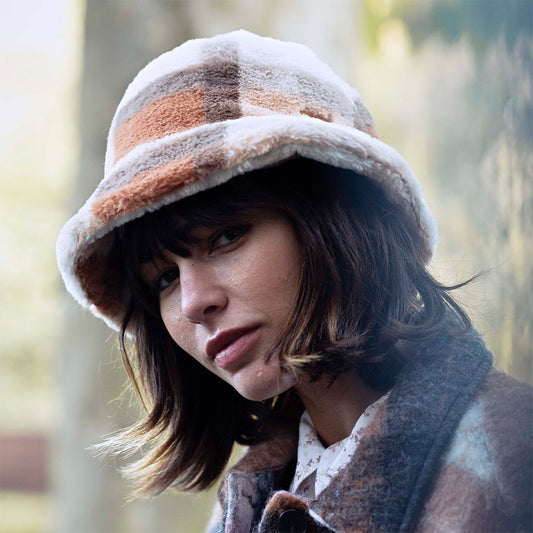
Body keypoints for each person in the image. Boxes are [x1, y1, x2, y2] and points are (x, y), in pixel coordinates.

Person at [56, 30, 532, 532]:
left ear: (336, 217)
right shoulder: (244, 503)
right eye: (165, 279)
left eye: (226, 236)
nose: (193, 303)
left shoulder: (513, 455)